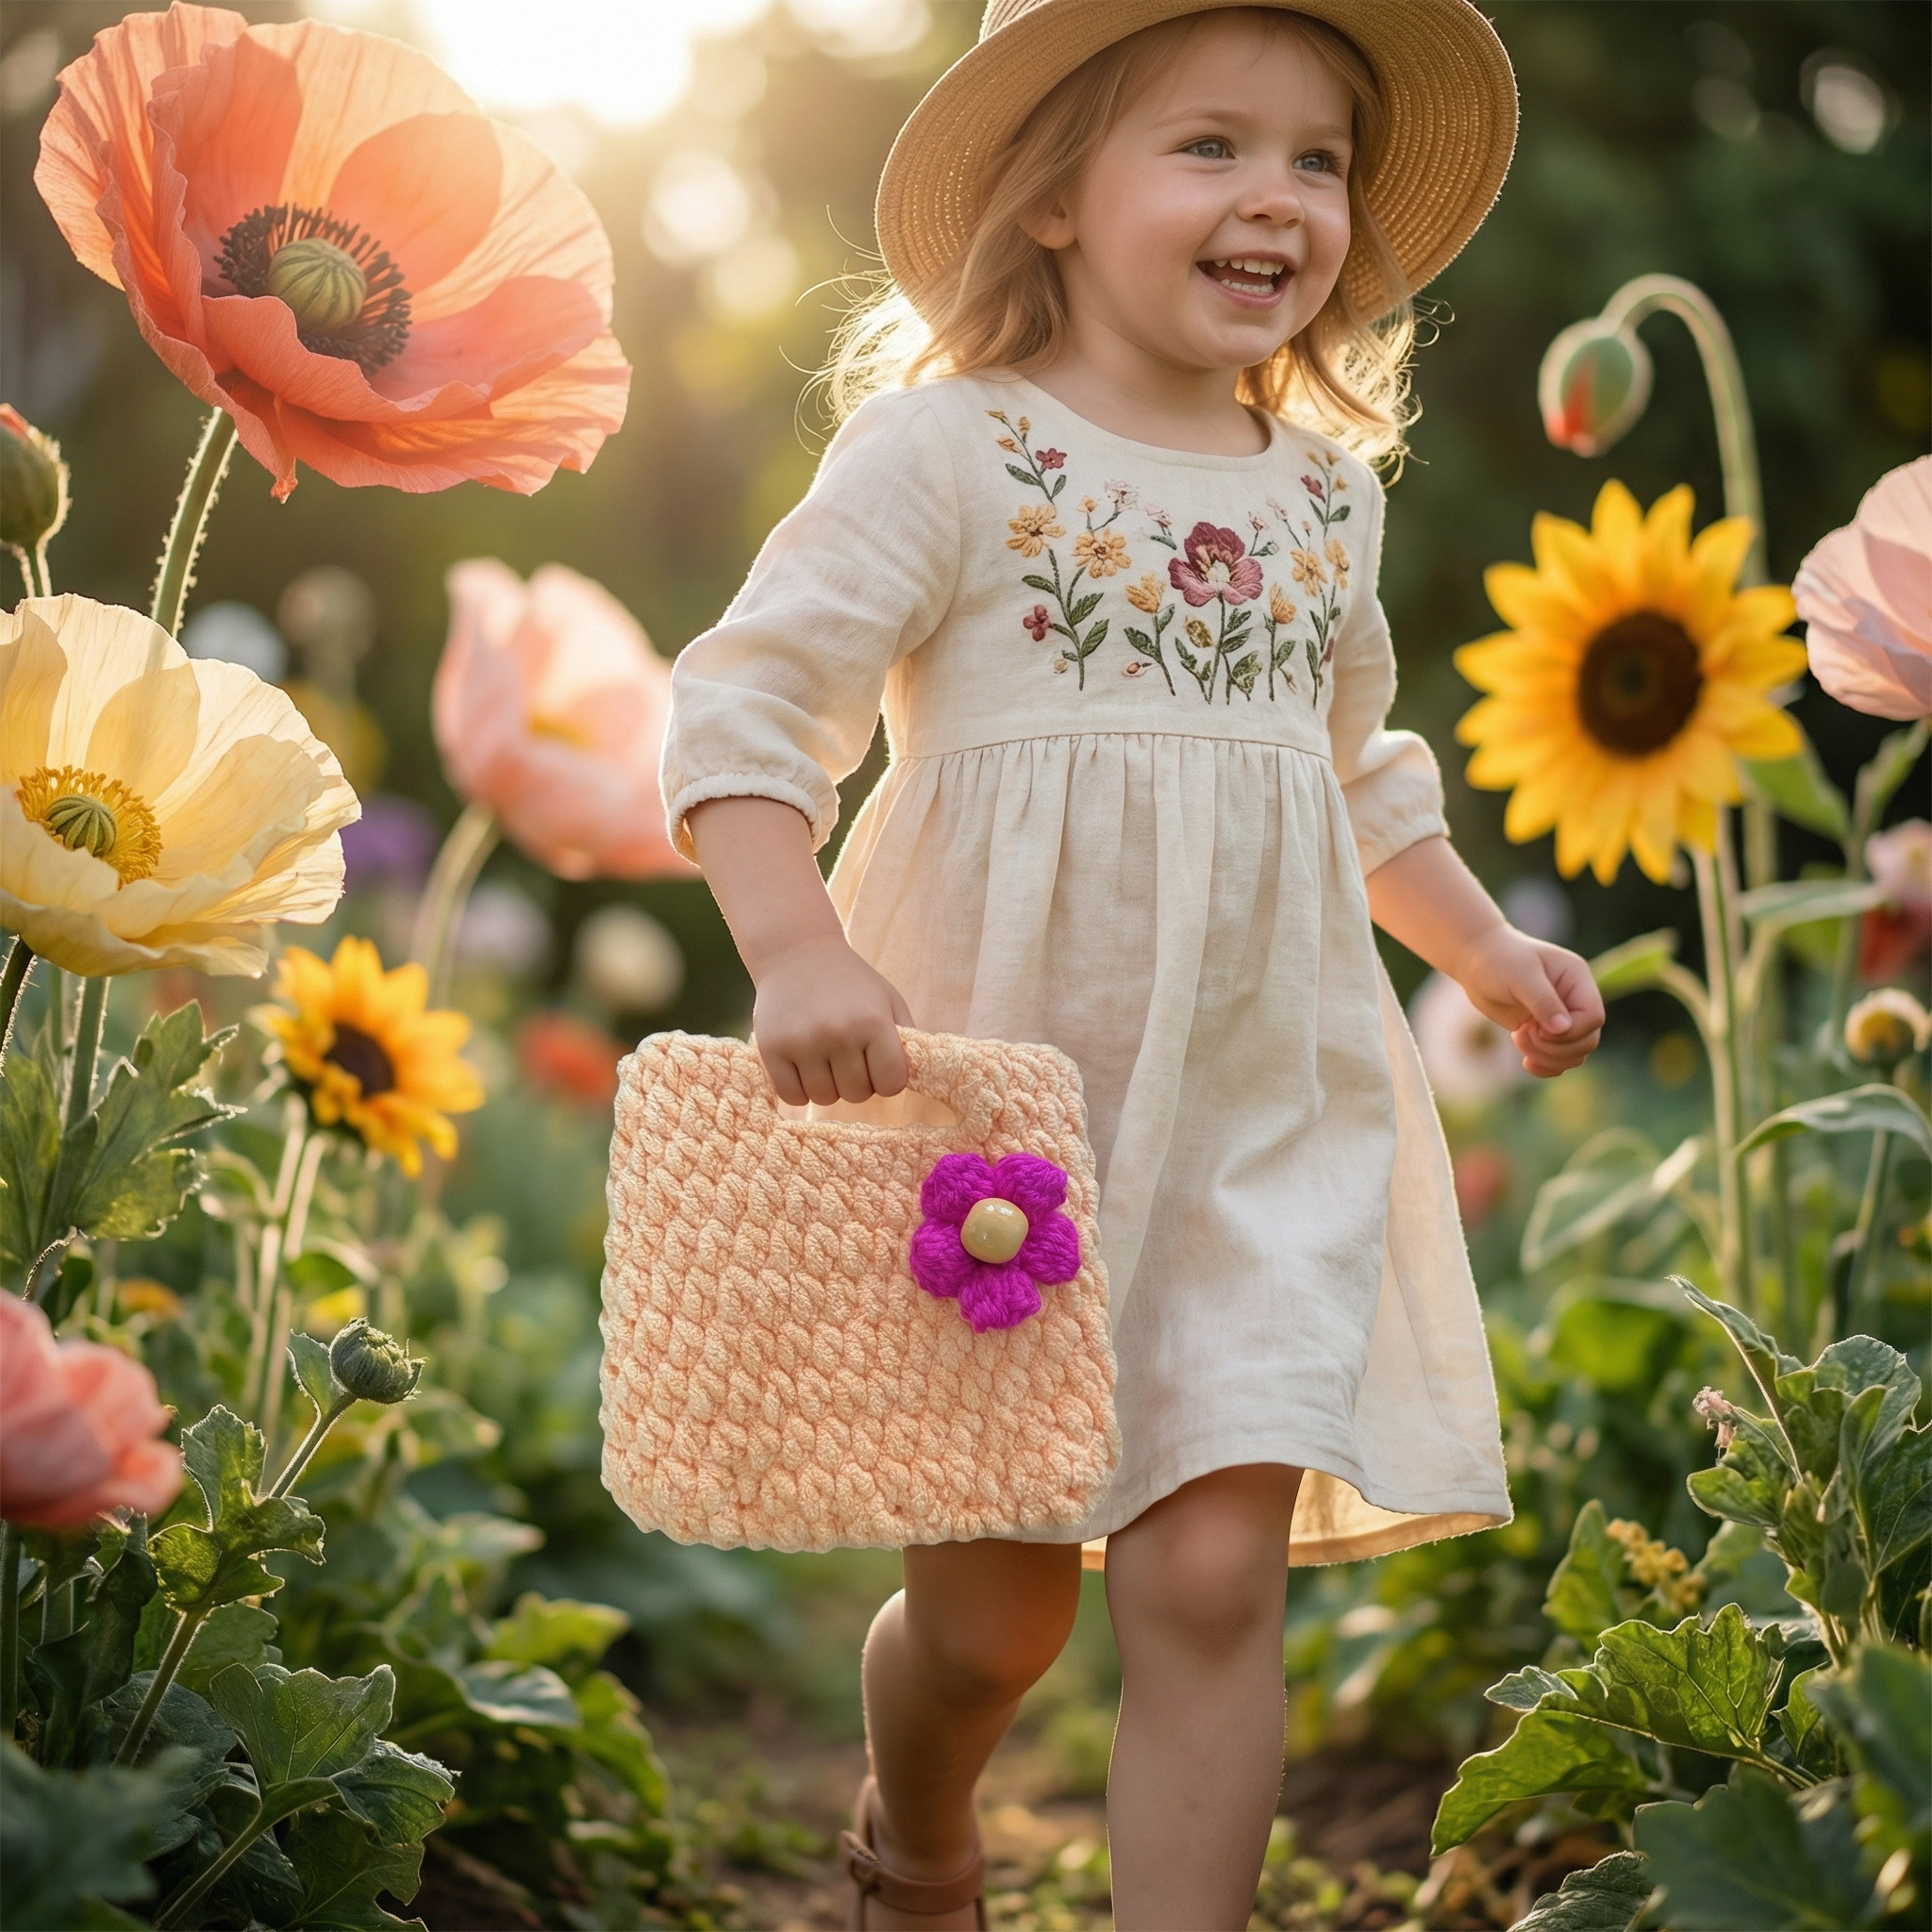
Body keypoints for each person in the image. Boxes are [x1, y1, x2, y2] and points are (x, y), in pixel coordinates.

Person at [659, 4, 1605, 1923]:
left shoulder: (1322, 500)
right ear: (1056, 199)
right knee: (990, 1619)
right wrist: (793, 945)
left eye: (1317, 159)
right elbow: (750, 708)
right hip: (1001, 1132)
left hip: (1262, 1104)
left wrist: (1484, 939)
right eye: (1211, 146)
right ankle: (917, 1829)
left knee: (1207, 1575)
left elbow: (1355, 781)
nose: (1277, 199)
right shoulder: (951, 454)